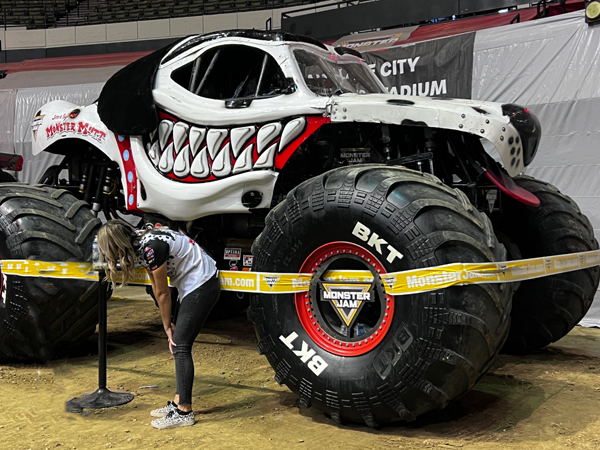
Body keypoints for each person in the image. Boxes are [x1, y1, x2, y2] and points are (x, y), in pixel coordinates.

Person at [97, 219, 221, 429]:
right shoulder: (139, 241)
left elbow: (163, 293)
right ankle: (177, 402)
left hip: (202, 282)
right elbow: (156, 287)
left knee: (180, 345)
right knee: (177, 345)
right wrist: (170, 321)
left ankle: (184, 411)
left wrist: (167, 326)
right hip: (191, 283)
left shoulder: (151, 247)